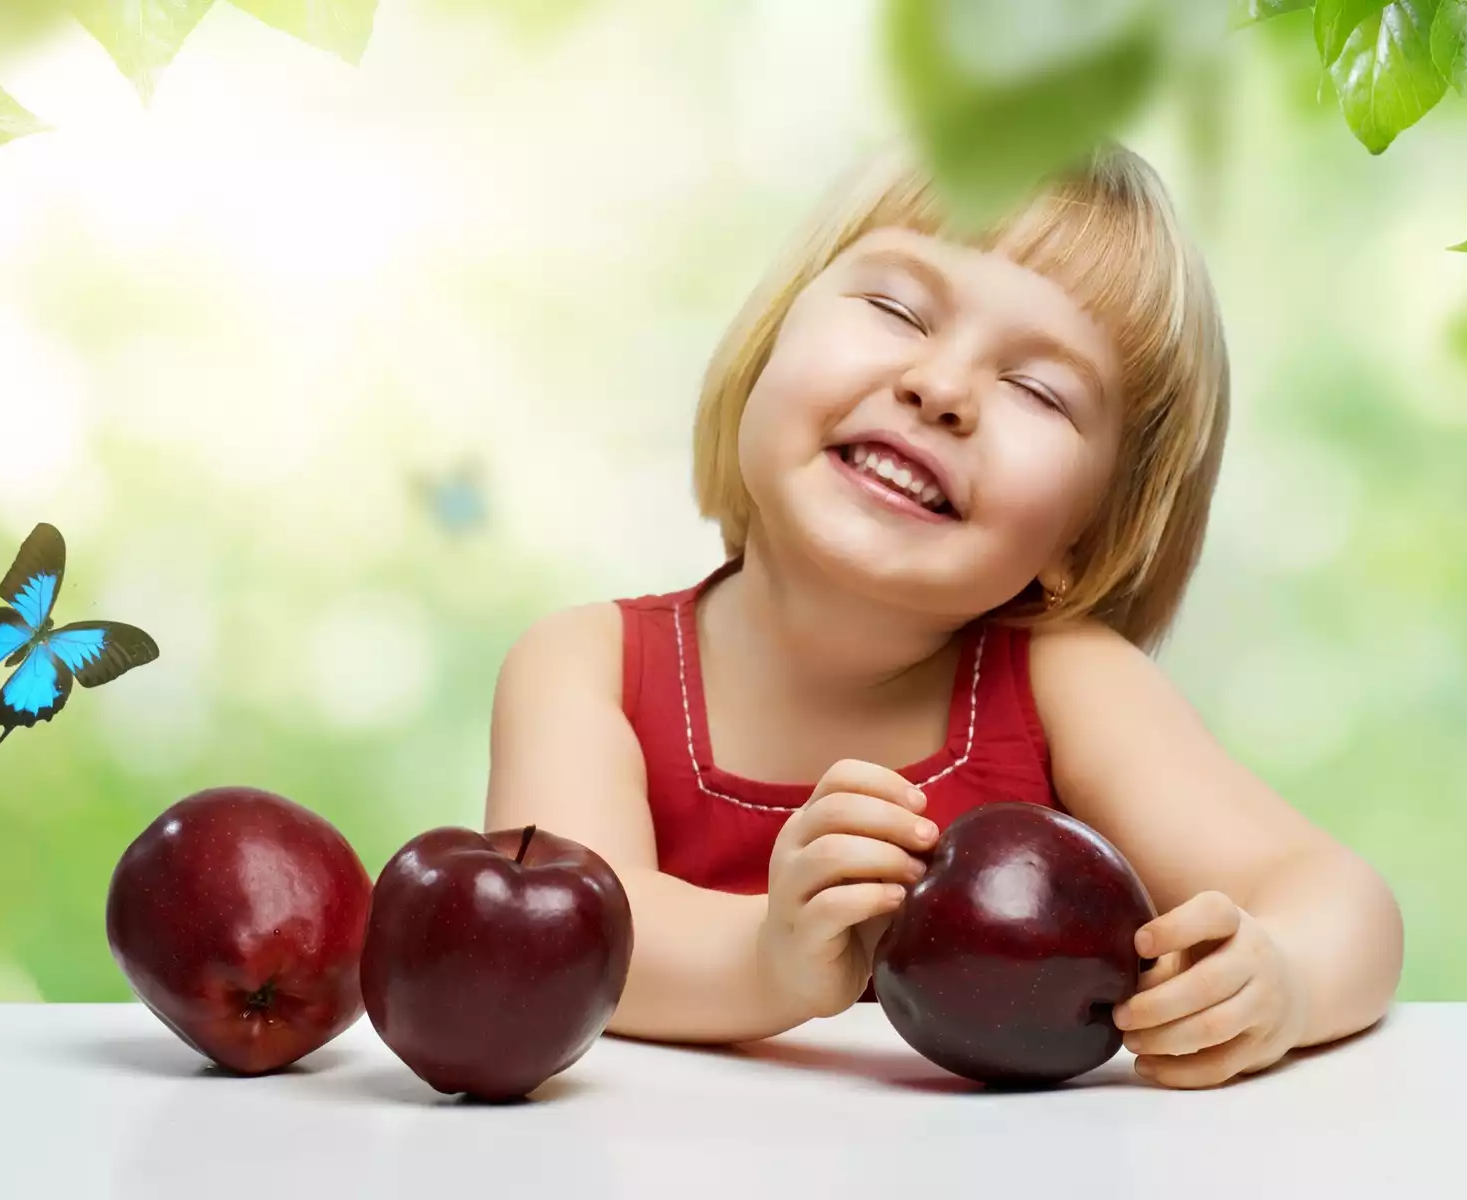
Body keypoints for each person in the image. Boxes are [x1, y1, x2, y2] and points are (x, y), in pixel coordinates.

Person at [483, 139, 1404, 1090]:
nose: (943, 390)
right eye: (895, 308)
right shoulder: (584, 665)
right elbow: (559, 942)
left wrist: (1282, 979)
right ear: (765, 353)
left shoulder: (1066, 683)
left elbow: (1339, 896)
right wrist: (768, 957)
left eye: (1039, 390)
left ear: (1085, 538)